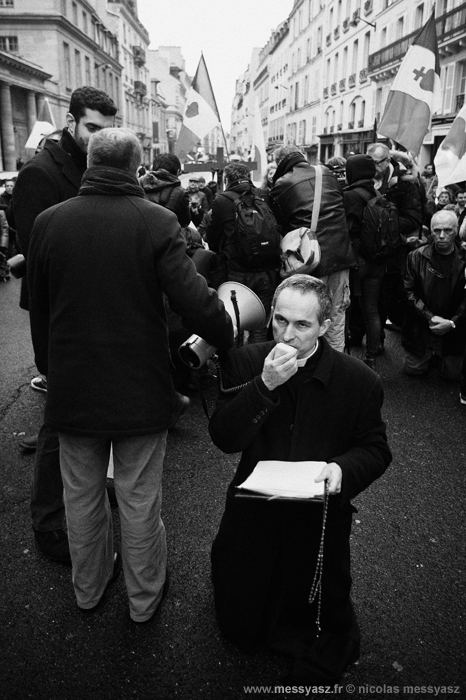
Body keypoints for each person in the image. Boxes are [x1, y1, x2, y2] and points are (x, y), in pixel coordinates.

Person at [27, 127, 233, 621]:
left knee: (81, 498)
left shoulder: (49, 222)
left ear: (92, 161)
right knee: (140, 500)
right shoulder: (156, 221)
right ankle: (143, 601)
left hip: (74, 390)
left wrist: (51, 369)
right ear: (135, 166)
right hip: (139, 391)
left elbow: (38, 309)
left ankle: (89, 589)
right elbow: (194, 299)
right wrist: (225, 330)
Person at [209, 274, 391, 684]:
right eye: (279, 321)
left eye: (302, 325)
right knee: (242, 609)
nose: (286, 335)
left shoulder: (358, 381)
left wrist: (342, 469)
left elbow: (376, 449)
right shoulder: (247, 361)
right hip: (254, 509)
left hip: (318, 519)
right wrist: (265, 385)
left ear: (326, 326)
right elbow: (223, 436)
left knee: (313, 613)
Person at [12, 86, 118, 563]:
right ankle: (50, 519)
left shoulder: (91, 166)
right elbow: (38, 260)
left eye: (106, 130)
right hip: (60, 318)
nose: (99, 138)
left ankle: (87, 496)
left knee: (89, 413)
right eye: (92, 128)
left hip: (93, 309)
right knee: (60, 419)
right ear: (72, 123)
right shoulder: (40, 173)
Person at [271, 145, 356, 352]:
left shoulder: (282, 184)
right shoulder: (326, 173)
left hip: (309, 261)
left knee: (304, 321)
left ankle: (305, 369)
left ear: (280, 162)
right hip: (341, 256)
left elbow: (280, 225)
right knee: (336, 318)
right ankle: (335, 369)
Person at [206, 162, 280, 342]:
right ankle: (256, 365)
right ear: (248, 175)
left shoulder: (222, 200)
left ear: (227, 179)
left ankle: (237, 364)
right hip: (268, 270)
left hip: (237, 271)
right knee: (260, 323)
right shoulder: (264, 195)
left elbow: (213, 238)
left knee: (235, 321)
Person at [402, 210, 466, 380]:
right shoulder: (415, 257)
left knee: (453, 376)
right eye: (437, 231)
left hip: (454, 328)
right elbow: (408, 292)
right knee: (413, 370)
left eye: (448, 230)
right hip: (423, 326)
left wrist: (452, 322)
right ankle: (430, 353)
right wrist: (429, 317)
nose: (442, 236)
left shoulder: (464, 258)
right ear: (430, 230)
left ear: (457, 229)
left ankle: (439, 355)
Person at [367, 144, 423, 334]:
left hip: (395, 249)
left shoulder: (404, 183)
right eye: (369, 162)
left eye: (376, 163)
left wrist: (387, 225)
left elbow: (414, 217)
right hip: (370, 248)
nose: (372, 168)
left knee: (387, 293)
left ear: (387, 160)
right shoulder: (366, 178)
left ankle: (384, 333)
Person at [343, 154, 384, 370]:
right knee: (371, 309)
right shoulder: (379, 194)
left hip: (356, 259)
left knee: (345, 307)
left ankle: (343, 359)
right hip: (377, 260)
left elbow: (346, 228)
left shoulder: (349, 196)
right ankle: (371, 358)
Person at [139, 153, 191, 227]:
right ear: (178, 172)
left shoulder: (137, 183)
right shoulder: (181, 192)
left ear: (152, 168)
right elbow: (185, 222)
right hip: (165, 235)